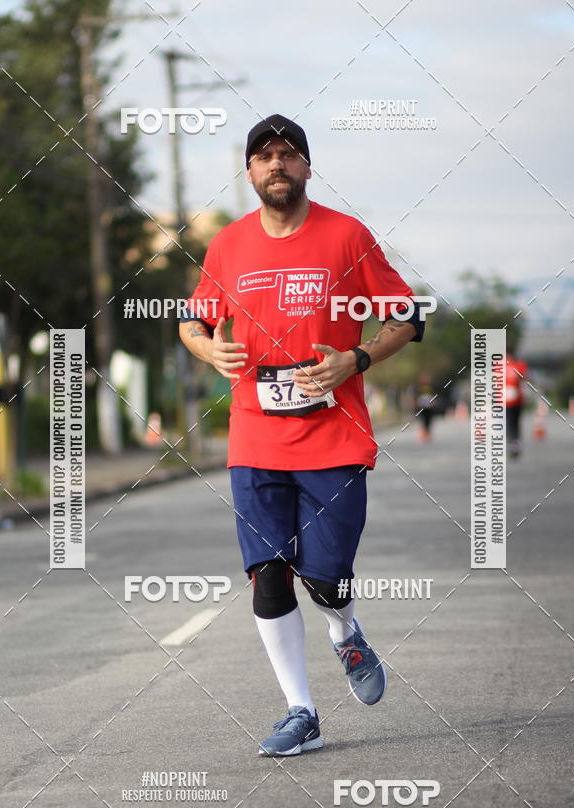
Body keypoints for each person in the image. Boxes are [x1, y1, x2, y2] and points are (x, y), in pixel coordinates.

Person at [179, 114, 424, 756]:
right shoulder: (228, 245)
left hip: (334, 438)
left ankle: (346, 631)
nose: (277, 164)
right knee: (268, 573)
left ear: (307, 167)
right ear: (250, 171)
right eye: (264, 156)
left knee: (325, 576)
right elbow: (192, 322)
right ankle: (301, 710)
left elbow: (406, 316)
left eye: (289, 154)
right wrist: (207, 351)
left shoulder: (346, 237)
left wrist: (358, 359)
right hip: (254, 435)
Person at [505, 351, 528, 458]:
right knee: (509, 424)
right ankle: (511, 444)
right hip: (505, 402)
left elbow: (524, 379)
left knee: (515, 423)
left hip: (517, 401)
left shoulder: (519, 365)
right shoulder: (500, 367)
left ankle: (515, 444)